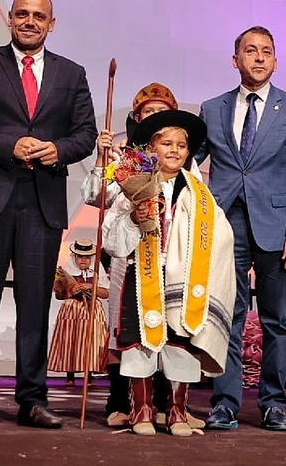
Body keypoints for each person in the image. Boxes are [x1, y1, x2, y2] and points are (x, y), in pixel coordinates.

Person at [0, 0, 97, 429]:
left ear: (52, 23)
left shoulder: (72, 73)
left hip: (42, 201)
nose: (30, 21)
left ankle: (33, 400)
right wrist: (7, 145)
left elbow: (84, 134)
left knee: (34, 306)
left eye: (39, 16)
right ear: (9, 19)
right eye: (22, 14)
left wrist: (58, 149)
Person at [196, 26, 286, 432]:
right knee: (227, 316)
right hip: (225, 223)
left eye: (267, 51)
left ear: (276, 60)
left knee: (276, 320)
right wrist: (138, 160)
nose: (259, 58)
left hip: (278, 228)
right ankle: (225, 403)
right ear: (236, 60)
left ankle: (273, 404)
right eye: (251, 51)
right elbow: (186, 161)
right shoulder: (212, 108)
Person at [102, 110, 236, 437]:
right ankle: (143, 409)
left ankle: (177, 411)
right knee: (141, 343)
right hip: (142, 273)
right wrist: (135, 218)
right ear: (151, 148)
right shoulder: (134, 187)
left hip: (184, 279)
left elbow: (221, 235)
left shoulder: (198, 194)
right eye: (166, 143)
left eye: (181, 145)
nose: (174, 150)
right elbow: (112, 239)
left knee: (180, 342)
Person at [82, 82, 202, 429]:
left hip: (171, 259)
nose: (155, 116)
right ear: (138, 119)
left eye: (161, 111)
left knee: (170, 326)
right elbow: (96, 195)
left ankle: (168, 405)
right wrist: (102, 159)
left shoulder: (185, 164)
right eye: (148, 112)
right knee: (130, 327)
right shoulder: (125, 159)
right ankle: (124, 403)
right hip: (129, 257)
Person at [48, 239, 108, 383]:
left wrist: (91, 287)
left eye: (87, 257)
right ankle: (70, 376)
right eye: (80, 257)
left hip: (91, 310)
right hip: (72, 310)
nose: (83, 260)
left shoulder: (97, 271)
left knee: (91, 342)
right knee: (70, 340)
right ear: (75, 257)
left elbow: (106, 293)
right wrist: (71, 291)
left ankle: (89, 376)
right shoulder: (67, 270)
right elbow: (58, 295)